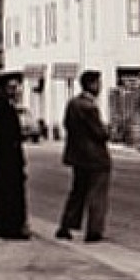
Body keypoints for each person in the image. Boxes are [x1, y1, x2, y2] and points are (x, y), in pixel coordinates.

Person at [56, 70, 112, 242]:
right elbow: (100, 133)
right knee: (96, 194)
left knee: (77, 192)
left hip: (77, 156)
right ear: (91, 84)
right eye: (98, 83)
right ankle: (94, 230)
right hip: (95, 158)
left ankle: (66, 225)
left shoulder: (72, 104)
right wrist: (107, 130)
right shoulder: (90, 107)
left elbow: (67, 125)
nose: (100, 87)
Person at [0, 73, 31, 239]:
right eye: (12, 87)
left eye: (16, 87)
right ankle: (10, 227)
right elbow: (4, 136)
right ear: (4, 88)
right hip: (6, 159)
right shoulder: (1, 107)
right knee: (8, 193)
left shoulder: (5, 105)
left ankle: (10, 225)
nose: (15, 90)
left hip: (8, 157)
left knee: (10, 192)